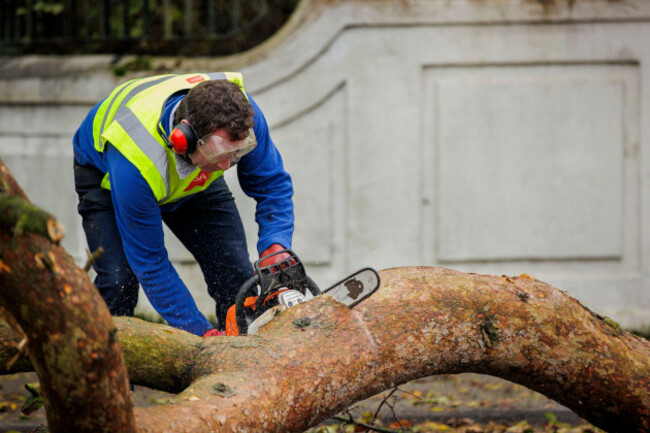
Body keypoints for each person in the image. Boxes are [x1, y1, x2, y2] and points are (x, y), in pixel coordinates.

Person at [72, 72, 295, 337]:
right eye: (220, 154)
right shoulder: (134, 160)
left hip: (192, 172)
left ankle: (243, 362)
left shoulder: (242, 116)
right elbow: (150, 262)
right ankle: (106, 374)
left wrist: (275, 245)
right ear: (183, 138)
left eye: (236, 152)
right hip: (107, 177)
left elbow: (271, 185)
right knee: (118, 282)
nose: (226, 166)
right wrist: (201, 334)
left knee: (235, 273)